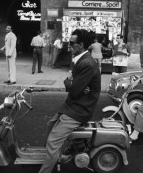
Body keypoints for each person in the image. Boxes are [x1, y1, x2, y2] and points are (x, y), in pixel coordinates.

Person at [38, 29, 101, 173]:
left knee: (52, 142)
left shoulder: (87, 64)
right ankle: (56, 157)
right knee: (50, 125)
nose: (69, 45)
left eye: (72, 43)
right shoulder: (81, 60)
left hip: (79, 110)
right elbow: (76, 88)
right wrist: (73, 84)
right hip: (72, 105)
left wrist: (69, 81)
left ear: (81, 44)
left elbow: (73, 90)